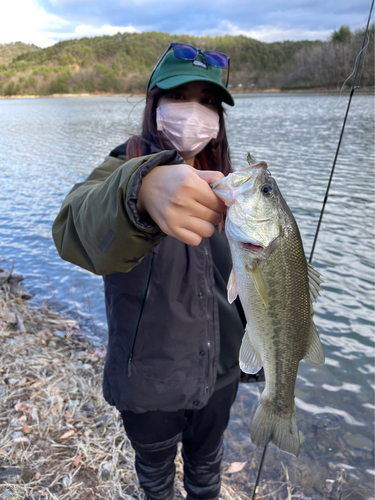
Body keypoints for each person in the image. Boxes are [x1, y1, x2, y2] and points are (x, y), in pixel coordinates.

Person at [52, 43, 263, 500]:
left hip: (221, 375)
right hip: (150, 384)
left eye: (208, 102)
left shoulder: (231, 187)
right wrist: (141, 190)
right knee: (156, 480)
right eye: (180, 96)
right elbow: (73, 228)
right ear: (154, 104)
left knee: (207, 474)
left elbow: (254, 285)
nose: (195, 112)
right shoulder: (120, 169)